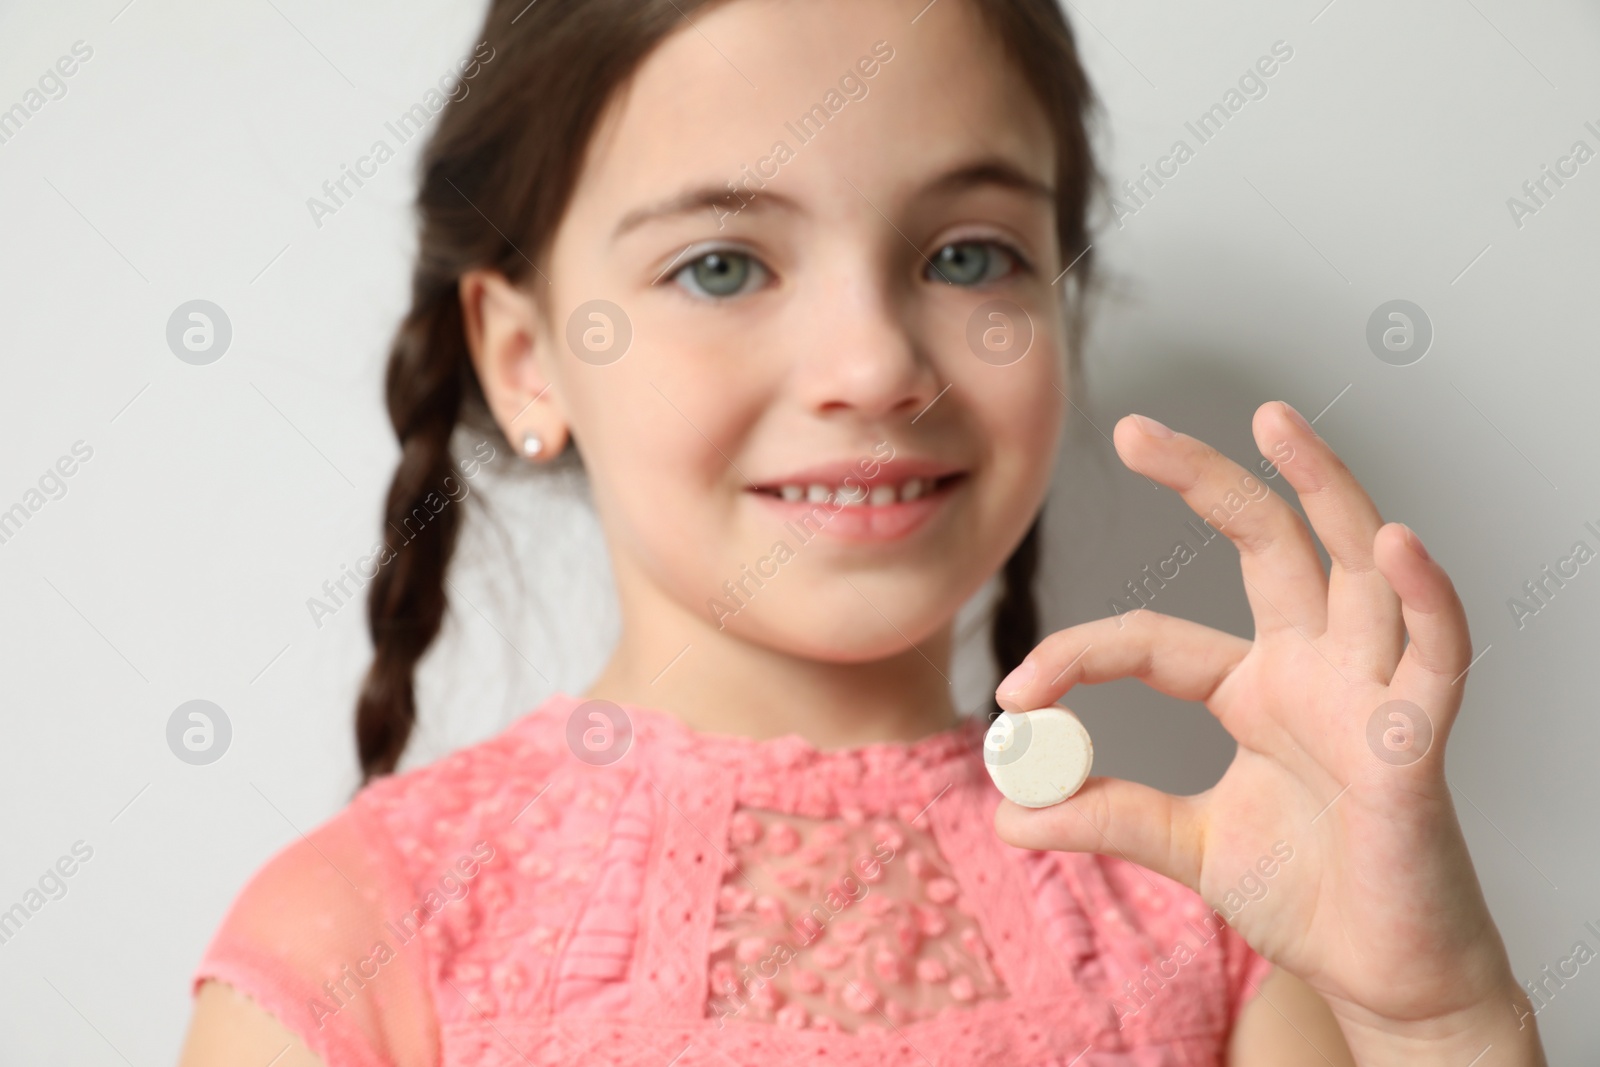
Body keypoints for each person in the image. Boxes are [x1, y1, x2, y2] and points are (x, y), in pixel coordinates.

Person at [176, 0, 1548, 1063]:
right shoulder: (357, 944)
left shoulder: (1226, 935)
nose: (877, 362)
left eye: (966, 254)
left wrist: (1436, 1023)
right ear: (527, 357)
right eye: (721, 264)